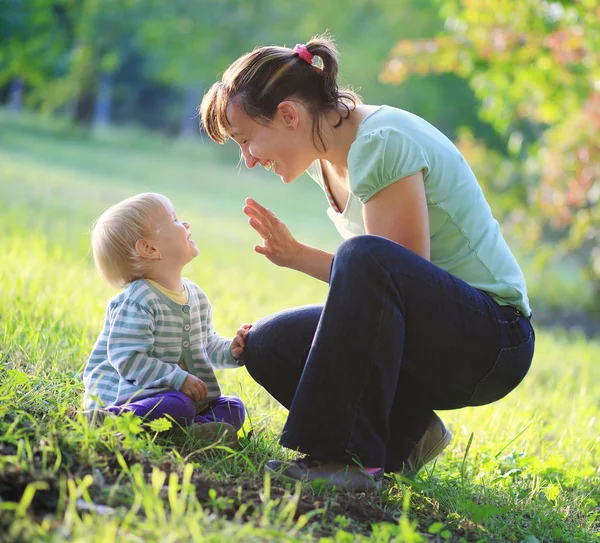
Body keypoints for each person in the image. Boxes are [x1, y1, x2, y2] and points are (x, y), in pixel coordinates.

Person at [199, 34, 535, 490]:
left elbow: (393, 271)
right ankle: (409, 433)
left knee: (365, 256)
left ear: (289, 115)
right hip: (435, 335)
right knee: (268, 344)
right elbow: (381, 285)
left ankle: (346, 463)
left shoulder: (380, 141)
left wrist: (304, 256)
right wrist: (296, 256)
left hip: (493, 341)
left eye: (246, 140)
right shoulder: (327, 158)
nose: (249, 159)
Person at [83, 192, 251, 447]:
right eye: (174, 219)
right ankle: (110, 420)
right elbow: (127, 358)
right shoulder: (139, 300)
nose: (186, 225)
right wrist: (176, 378)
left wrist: (231, 350)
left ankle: (187, 433)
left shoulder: (195, 296)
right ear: (149, 248)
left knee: (233, 407)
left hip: (174, 396)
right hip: (132, 396)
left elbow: (205, 344)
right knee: (179, 405)